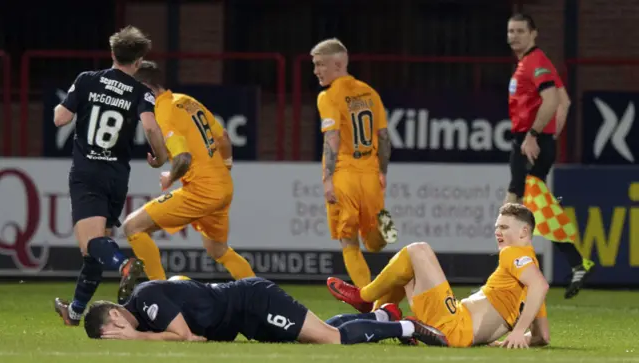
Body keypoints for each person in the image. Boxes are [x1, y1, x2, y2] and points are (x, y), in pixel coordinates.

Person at [53, 26, 169, 326]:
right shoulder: (140, 91)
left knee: (89, 244)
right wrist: (161, 157)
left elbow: (60, 118)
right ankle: (75, 312)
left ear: (113, 52)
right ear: (139, 60)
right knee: (97, 248)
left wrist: (66, 104)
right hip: (117, 176)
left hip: (87, 172)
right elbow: (152, 128)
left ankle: (124, 264)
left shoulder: (87, 80)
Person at [115, 61, 255, 303]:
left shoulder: (163, 112)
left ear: (145, 88)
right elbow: (224, 138)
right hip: (222, 186)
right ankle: (260, 295)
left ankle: (158, 296)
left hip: (201, 191)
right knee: (218, 250)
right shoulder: (186, 101)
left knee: (132, 227)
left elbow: (183, 158)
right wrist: (225, 168)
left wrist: (170, 176)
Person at [328, 203, 551, 349]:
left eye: (504, 227)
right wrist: (503, 340)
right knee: (406, 270)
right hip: (453, 324)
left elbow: (541, 286)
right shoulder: (529, 283)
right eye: (496, 227)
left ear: (524, 232)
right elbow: (543, 337)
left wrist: (519, 331)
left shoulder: (514, 254)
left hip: (452, 324)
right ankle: (382, 314)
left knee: (418, 250)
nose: (498, 232)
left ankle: (365, 297)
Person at [81, 277, 447, 346]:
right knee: (313, 336)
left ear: (114, 318)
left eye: (112, 334)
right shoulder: (147, 307)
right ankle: (383, 317)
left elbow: (188, 338)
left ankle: (407, 328)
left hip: (253, 301)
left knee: (331, 340)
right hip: (246, 320)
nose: (119, 338)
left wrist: (137, 337)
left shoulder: (144, 300)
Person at [506, 13, 594, 299]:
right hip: (533, 140)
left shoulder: (535, 62)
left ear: (534, 34)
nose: (514, 36)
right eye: (510, 31)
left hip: (527, 141)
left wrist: (535, 135)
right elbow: (564, 102)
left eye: (520, 31)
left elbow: (553, 100)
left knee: (513, 208)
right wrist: (551, 135)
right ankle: (575, 262)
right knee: (532, 208)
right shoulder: (535, 62)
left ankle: (511, 279)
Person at [310, 38, 402, 309]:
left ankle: (369, 299)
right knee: (379, 240)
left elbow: (333, 139)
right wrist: (383, 171)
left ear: (338, 64)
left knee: (347, 239)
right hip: (371, 173)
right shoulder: (370, 92)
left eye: (320, 64)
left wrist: (327, 179)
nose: (316, 71)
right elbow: (384, 138)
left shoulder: (328, 96)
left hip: (345, 174)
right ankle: (389, 234)